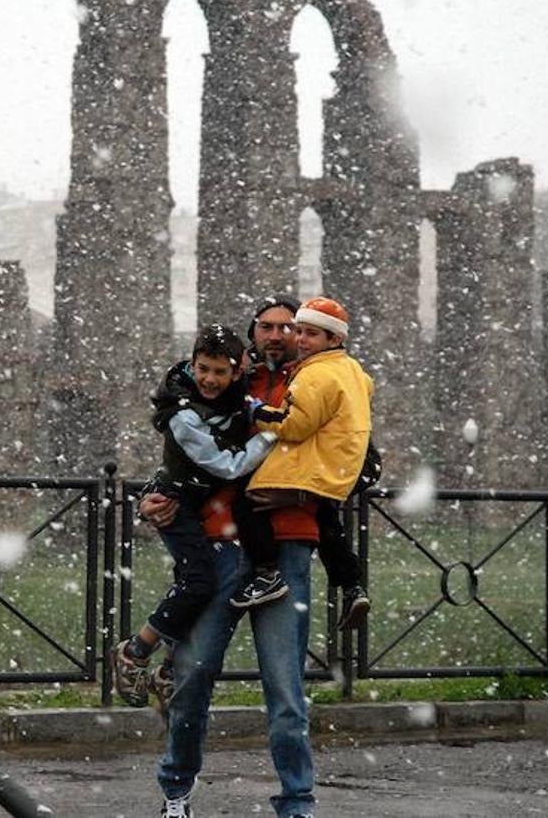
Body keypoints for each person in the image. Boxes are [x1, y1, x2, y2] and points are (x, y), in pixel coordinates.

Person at [142, 294, 323, 818]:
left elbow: (360, 462)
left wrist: (297, 491)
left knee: (285, 691)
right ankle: (175, 792)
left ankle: (297, 804)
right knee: (194, 676)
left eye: (288, 328)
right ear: (252, 342)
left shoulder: (316, 388)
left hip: (283, 548)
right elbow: (184, 455)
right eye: (267, 327)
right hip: (221, 548)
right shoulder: (228, 390)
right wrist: (157, 493)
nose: (277, 336)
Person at [110, 324, 278, 707]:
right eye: (203, 369)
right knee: (197, 582)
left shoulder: (239, 391)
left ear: (237, 370)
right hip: (182, 506)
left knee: (193, 585)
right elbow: (224, 465)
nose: (210, 379)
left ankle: (168, 668)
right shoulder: (184, 415)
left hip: (224, 521)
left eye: (220, 371)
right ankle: (135, 651)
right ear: (192, 363)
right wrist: (269, 437)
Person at [229, 296, 374, 632]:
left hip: (301, 482)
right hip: (330, 471)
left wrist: (259, 413)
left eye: (304, 332)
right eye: (300, 332)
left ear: (333, 339)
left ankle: (267, 574)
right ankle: (352, 585)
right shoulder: (350, 371)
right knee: (330, 526)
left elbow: (293, 426)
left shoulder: (312, 375)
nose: (297, 339)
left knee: (248, 500)